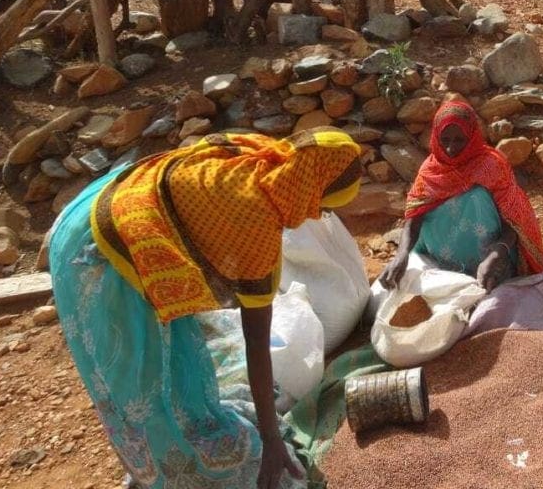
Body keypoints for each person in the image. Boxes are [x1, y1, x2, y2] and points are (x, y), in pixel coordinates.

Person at [49, 129, 363, 489]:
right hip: (104, 254)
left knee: (175, 361)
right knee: (142, 383)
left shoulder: (262, 153)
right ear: (311, 188)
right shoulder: (256, 226)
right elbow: (256, 344)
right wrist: (272, 440)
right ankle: (167, 467)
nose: (317, 216)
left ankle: (156, 455)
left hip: (100, 203)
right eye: (323, 206)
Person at [379, 100, 543, 292]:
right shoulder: (430, 170)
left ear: (472, 136)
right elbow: (414, 217)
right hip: (441, 257)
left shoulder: (491, 166)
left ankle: (491, 273)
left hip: (492, 256)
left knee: (476, 197)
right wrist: (401, 254)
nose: (450, 149)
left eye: (459, 140)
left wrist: (498, 252)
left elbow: (515, 220)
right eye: (444, 140)